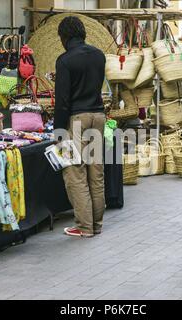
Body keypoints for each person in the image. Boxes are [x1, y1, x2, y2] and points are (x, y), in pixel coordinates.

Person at [54, 16, 106, 238]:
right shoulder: (99, 55)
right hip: (98, 117)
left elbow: (62, 101)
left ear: (64, 37)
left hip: (76, 120)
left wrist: (58, 131)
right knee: (96, 173)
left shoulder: (64, 60)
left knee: (75, 174)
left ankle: (84, 227)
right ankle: (96, 224)